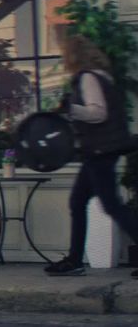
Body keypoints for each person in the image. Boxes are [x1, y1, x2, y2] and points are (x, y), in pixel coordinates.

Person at [45, 35, 138, 277]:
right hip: (97, 151)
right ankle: (74, 260)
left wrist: (71, 109)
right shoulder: (100, 77)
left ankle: (75, 260)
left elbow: (98, 113)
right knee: (78, 202)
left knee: (112, 206)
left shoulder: (88, 78)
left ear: (73, 56)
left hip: (100, 151)